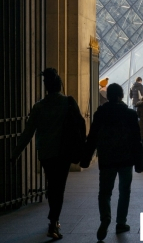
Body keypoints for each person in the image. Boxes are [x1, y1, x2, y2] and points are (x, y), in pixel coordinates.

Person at [10, 68, 85, 240]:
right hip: (64, 152)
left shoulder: (38, 107)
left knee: (52, 184)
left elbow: (27, 133)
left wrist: (15, 153)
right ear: (60, 86)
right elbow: (79, 125)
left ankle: (54, 218)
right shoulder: (68, 102)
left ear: (46, 87)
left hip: (46, 152)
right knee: (59, 187)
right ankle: (53, 221)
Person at [80, 82, 143, 241]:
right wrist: (139, 163)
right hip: (126, 158)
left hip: (107, 158)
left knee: (105, 192)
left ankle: (105, 218)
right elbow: (137, 140)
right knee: (124, 191)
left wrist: (86, 158)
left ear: (108, 96)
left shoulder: (101, 113)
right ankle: (121, 222)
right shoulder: (130, 114)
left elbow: (92, 137)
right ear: (122, 96)